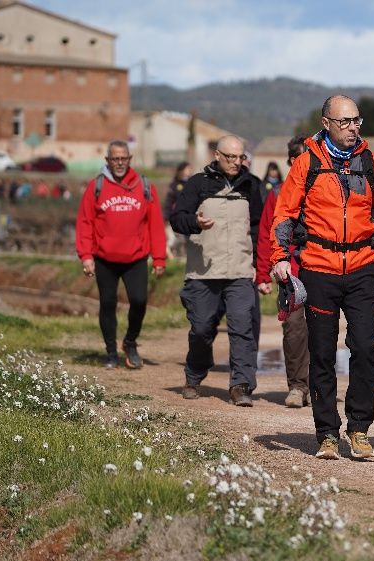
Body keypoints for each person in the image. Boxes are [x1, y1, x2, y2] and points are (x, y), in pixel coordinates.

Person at [270, 95, 374, 459]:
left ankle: (358, 429)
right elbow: (284, 215)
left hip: (362, 269)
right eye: (344, 121)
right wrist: (280, 257)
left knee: (363, 349)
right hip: (318, 270)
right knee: (323, 355)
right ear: (326, 122)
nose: (352, 127)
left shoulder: (372, 164)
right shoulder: (306, 163)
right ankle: (327, 433)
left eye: (357, 120)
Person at [170, 135, 263, 406]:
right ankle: (194, 374)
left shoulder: (252, 186)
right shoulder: (197, 184)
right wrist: (195, 222)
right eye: (230, 157)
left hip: (240, 270)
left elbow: (259, 229)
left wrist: (259, 264)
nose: (236, 162)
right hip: (203, 272)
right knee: (201, 328)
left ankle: (241, 385)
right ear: (217, 156)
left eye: (240, 157)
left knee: (243, 327)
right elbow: (177, 219)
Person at [75, 140, 166, 369]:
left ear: (130, 159)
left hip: (136, 258)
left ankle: (130, 342)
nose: (119, 163)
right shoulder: (96, 187)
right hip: (104, 258)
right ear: (107, 160)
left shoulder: (144, 185)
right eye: (115, 158)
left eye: (123, 158)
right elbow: (85, 223)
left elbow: (155, 224)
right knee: (107, 303)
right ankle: (110, 352)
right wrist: (86, 255)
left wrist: (159, 257)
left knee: (139, 301)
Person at [256, 136, 310, 408]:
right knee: (294, 329)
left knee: (322, 331)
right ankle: (298, 386)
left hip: (324, 269)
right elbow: (267, 234)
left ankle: (318, 386)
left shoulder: (325, 189)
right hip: (291, 273)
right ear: (292, 160)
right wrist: (264, 274)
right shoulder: (277, 194)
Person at [164, 162, 192, 259]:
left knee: (189, 238)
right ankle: (176, 255)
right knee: (179, 238)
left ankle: (184, 256)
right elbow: (169, 202)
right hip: (177, 216)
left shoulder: (192, 183)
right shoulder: (175, 185)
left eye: (190, 169)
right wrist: (166, 217)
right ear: (181, 170)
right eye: (187, 169)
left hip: (189, 217)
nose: (189, 171)